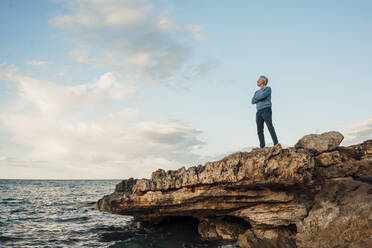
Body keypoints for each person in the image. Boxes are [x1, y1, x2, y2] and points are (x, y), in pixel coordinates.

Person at [251, 75, 279, 148]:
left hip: (266, 110)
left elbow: (262, 96)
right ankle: (262, 146)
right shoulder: (256, 92)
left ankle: (276, 144)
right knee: (259, 130)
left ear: (263, 81)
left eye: (259, 80)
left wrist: (258, 98)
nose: (257, 81)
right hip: (258, 112)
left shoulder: (268, 89)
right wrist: (259, 98)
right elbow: (252, 101)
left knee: (270, 127)